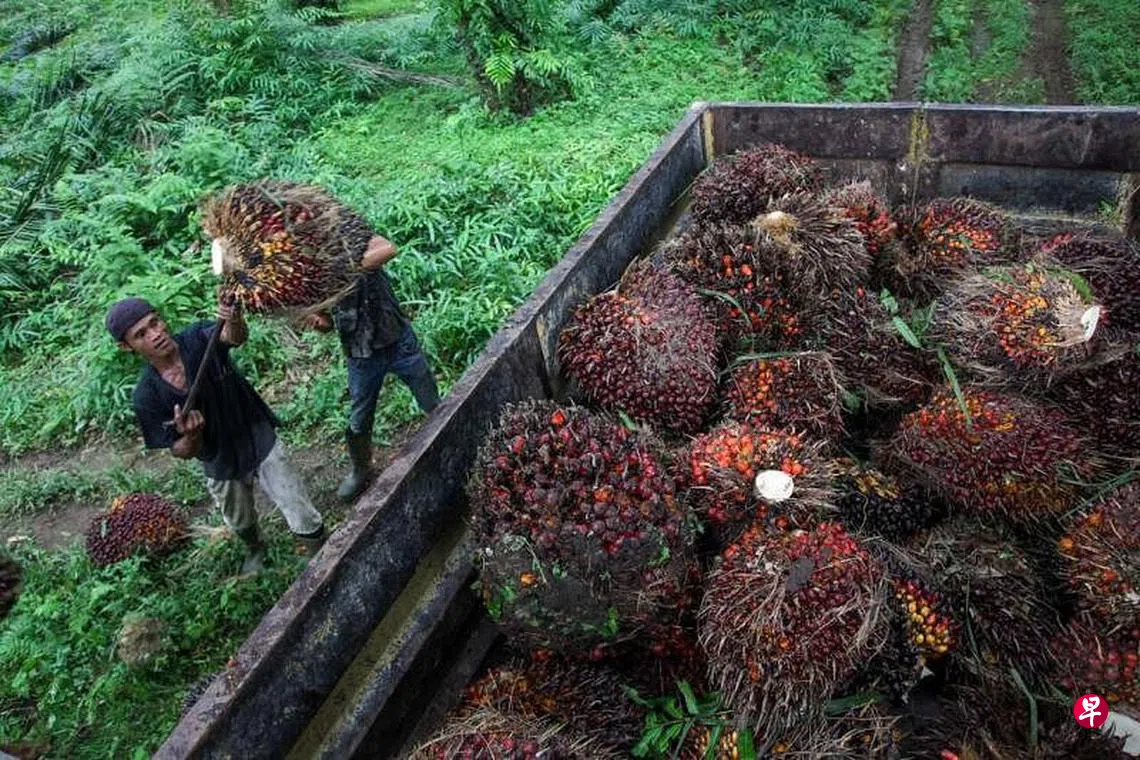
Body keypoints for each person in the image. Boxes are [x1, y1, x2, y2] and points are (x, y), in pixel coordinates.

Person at [106, 294, 327, 574]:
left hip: (254, 432)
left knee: (295, 501)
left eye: (155, 322)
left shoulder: (198, 338)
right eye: (141, 334)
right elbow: (180, 450)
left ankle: (319, 552)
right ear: (126, 347)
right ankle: (255, 547)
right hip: (218, 458)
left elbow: (233, 337)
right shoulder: (147, 396)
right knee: (239, 518)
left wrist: (233, 318)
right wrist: (192, 436)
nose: (155, 334)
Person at [302, 234, 441, 502]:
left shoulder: (353, 237)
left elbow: (388, 249)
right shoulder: (312, 277)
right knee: (359, 419)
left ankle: (447, 436)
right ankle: (361, 468)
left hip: (397, 340)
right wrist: (317, 321)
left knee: (431, 400)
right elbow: (326, 323)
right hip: (361, 355)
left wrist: (342, 268)